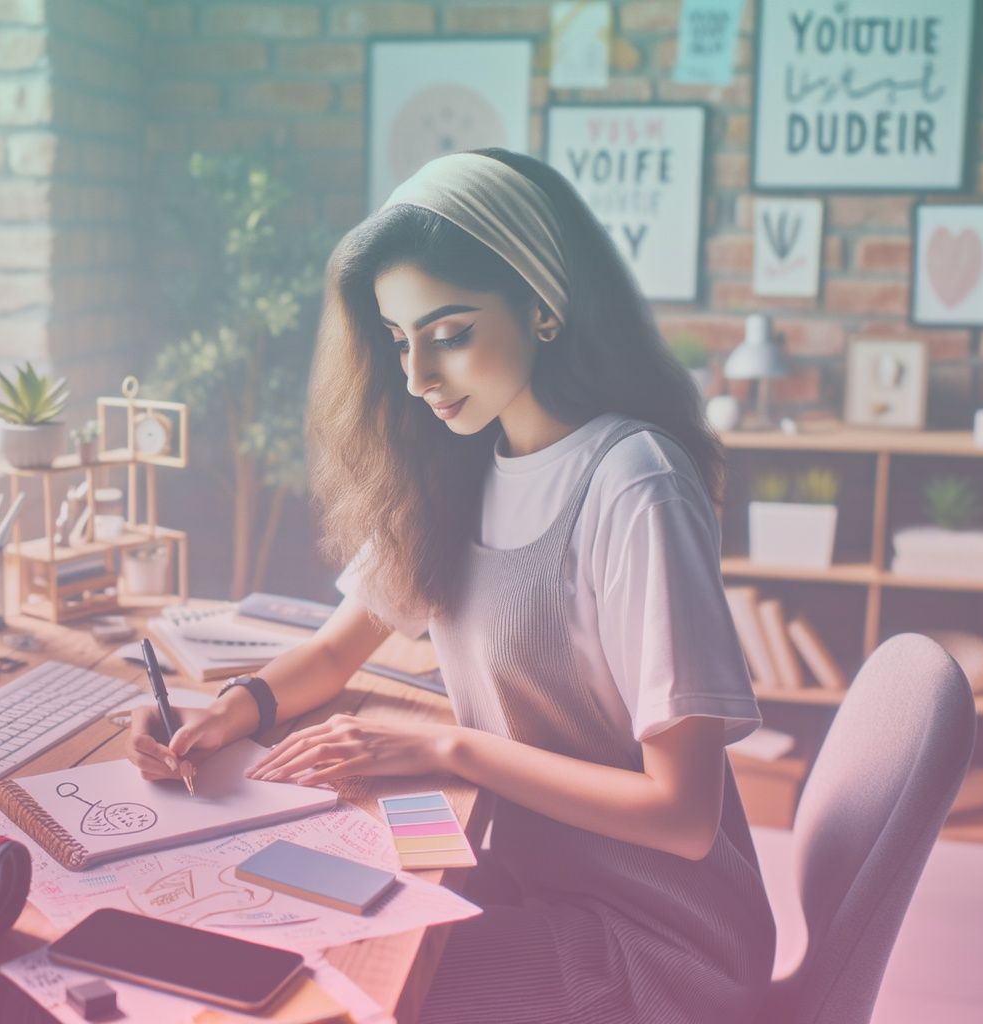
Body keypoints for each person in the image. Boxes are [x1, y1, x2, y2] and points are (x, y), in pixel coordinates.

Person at [125, 149, 774, 1022]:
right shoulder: (461, 467)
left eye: (450, 332)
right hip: (535, 886)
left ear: (542, 307)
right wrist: (224, 713)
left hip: (657, 944)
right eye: (399, 342)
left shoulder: (633, 482)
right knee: (254, 934)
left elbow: (683, 813)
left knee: (335, 994)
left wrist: (445, 748)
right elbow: (332, 650)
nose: (419, 377)